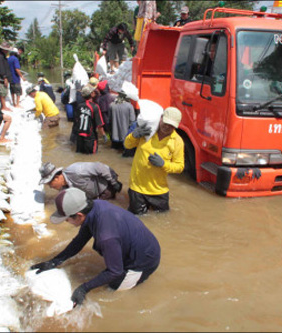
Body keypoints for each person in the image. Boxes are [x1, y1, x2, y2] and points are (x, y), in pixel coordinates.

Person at [30, 188, 161, 307]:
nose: (66, 222)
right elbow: (79, 242)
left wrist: (83, 288)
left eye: (66, 219)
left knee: (112, 289)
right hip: (140, 246)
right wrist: (54, 261)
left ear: (79, 215)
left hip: (143, 262)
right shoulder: (95, 206)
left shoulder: (106, 235)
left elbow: (114, 271)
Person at [124, 107, 184, 215]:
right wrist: (133, 135)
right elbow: (127, 145)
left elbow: (179, 167)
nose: (167, 127)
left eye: (171, 125)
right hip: (137, 188)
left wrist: (163, 164)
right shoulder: (147, 132)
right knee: (137, 219)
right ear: (161, 118)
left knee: (163, 218)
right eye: (165, 122)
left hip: (159, 190)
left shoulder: (177, 141)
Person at [39, 161, 123, 200]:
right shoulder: (63, 189)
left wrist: (114, 182)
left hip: (106, 189)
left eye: (50, 184)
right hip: (93, 197)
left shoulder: (77, 170)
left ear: (57, 178)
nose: (50, 187)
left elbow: (99, 167)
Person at [74, 85, 106, 154]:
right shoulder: (95, 107)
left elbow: (76, 121)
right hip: (90, 138)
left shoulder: (79, 106)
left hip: (79, 137)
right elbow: (99, 125)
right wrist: (104, 135)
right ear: (92, 94)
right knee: (91, 158)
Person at [0, 41, 14, 112]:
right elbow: (0, 68)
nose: (7, 51)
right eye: (7, 50)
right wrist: (5, 77)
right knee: (2, 92)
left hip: (3, 77)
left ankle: (3, 106)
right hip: (1, 78)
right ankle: (3, 106)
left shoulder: (2, 56)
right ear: (3, 49)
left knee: (4, 92)